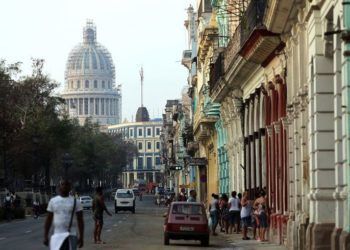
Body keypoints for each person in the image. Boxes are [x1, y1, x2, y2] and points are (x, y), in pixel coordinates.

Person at [44, 180, 84, 250]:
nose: (65, 186)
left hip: (71, 235)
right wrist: (45, 236)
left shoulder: (76, 202)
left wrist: (81, 237)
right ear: (59, 187)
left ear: (70, 187)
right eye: (62, 184)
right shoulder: (53, 201)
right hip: (57, 236)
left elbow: (80, 220)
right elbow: (48, 219)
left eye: (67, 184)